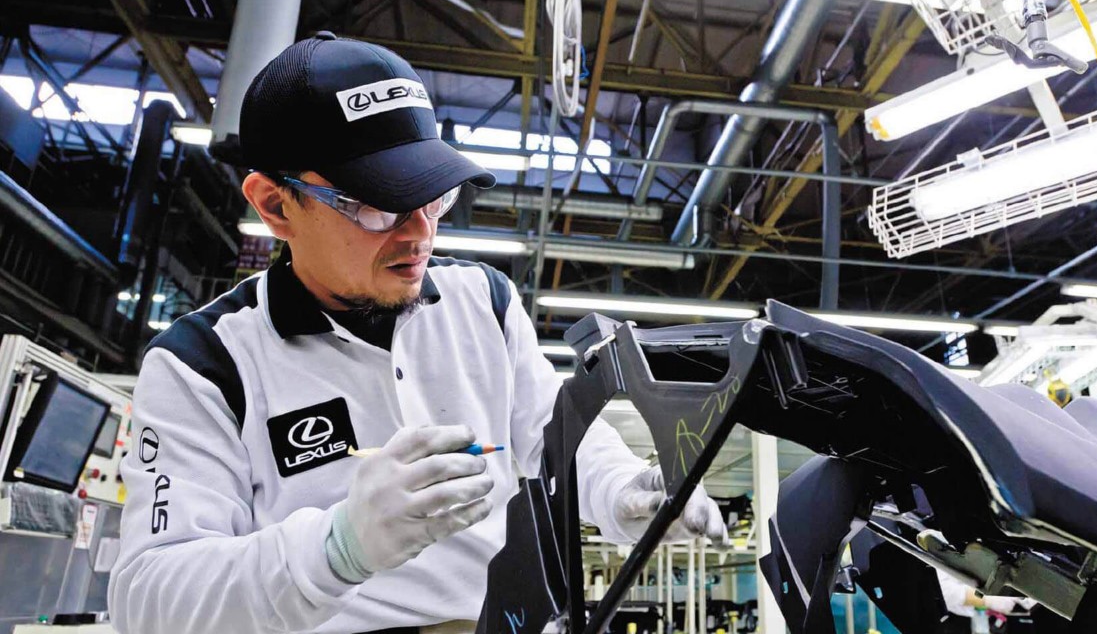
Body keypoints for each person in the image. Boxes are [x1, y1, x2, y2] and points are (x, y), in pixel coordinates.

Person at [108, 32, 725, 634]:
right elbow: (149, 600)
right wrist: (338, 547)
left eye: (433, 197)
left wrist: (623, 491)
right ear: (275, 205)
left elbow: (556, 444)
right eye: (378, 205)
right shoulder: (203, 365)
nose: (419, 235)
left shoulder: (484, 303)